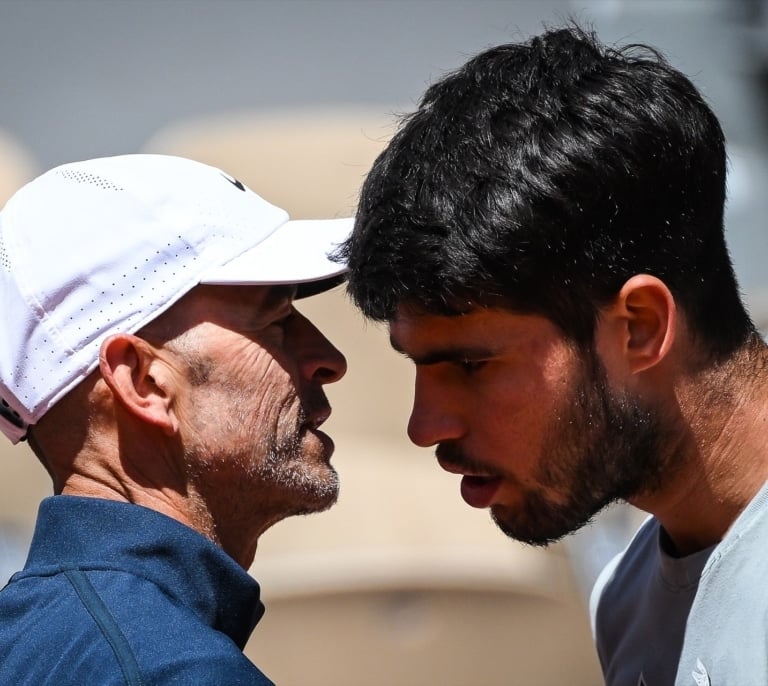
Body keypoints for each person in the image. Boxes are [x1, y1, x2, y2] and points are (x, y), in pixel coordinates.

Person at [337, 23, 768, 686]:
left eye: (472, 365)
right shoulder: (628, 602)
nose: (427, 427)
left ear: (642, 327)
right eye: (416, 364)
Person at [0, 153, 350, 684]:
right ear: (144, 382)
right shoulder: (174, 670)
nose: (330, 358)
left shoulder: (36, 637)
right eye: (275, 323)